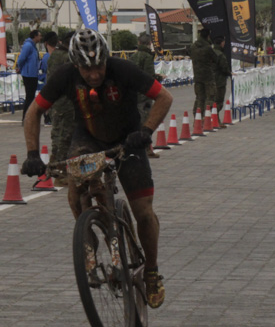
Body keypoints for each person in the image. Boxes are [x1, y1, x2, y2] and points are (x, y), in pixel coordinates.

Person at [20, 29, 174, 307]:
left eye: (99, 67)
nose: (94, 74)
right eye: (87, 69)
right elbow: (34, 111)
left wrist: (147, 130)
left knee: (143, 211)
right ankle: (89, 239)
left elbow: (164, 97)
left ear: (107, 60)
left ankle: (151, 271)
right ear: (76, 65)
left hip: (128, 138)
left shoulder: (123, 69)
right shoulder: (65, 75)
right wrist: (32, 153)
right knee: (74, 193)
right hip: (88, 138)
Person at [46, 31, 77, 165]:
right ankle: (61, 168)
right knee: (66, 135)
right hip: (67, 101)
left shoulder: (54, 55)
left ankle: (54, 162)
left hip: (55, 100)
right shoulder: (67, 57)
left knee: (57, 133)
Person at [130, 33, 161, 158]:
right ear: (149, 44)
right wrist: (159, 78)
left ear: (139, 43)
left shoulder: (132, 57)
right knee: (147, 121)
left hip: (133, 94)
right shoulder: (147, 57)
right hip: (144, 95)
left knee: (135, 121)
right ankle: (147, 148)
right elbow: (149, 77)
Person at [189, 28, 217, 120]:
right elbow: (215, 59)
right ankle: (207, 116)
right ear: (208, 36)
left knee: (199, 97)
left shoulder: (193, 47)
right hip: (208, 76)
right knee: (210, 96)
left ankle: (197, 117)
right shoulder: (208, 48)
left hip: (197, 76)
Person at [16, 30, 41, 121]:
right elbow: (21, 58)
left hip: (33, 73)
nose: (40, 37)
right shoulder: (28, 46)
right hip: (28, 74)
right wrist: (20, 67)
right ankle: (26, 118)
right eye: (39, 36)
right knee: (30, 96)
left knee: (31, 96)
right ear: (35, 36)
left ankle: (28, 117)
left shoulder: (33, 46)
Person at [212, 35, 232, 114]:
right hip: (219, 80)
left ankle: (207, 118)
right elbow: (224, 68)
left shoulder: (209, 52)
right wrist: (230, 73)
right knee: (219, 100)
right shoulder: (220, 54)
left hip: (210, 80)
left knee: (211, 100)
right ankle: (215, 119)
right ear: (221, 43)